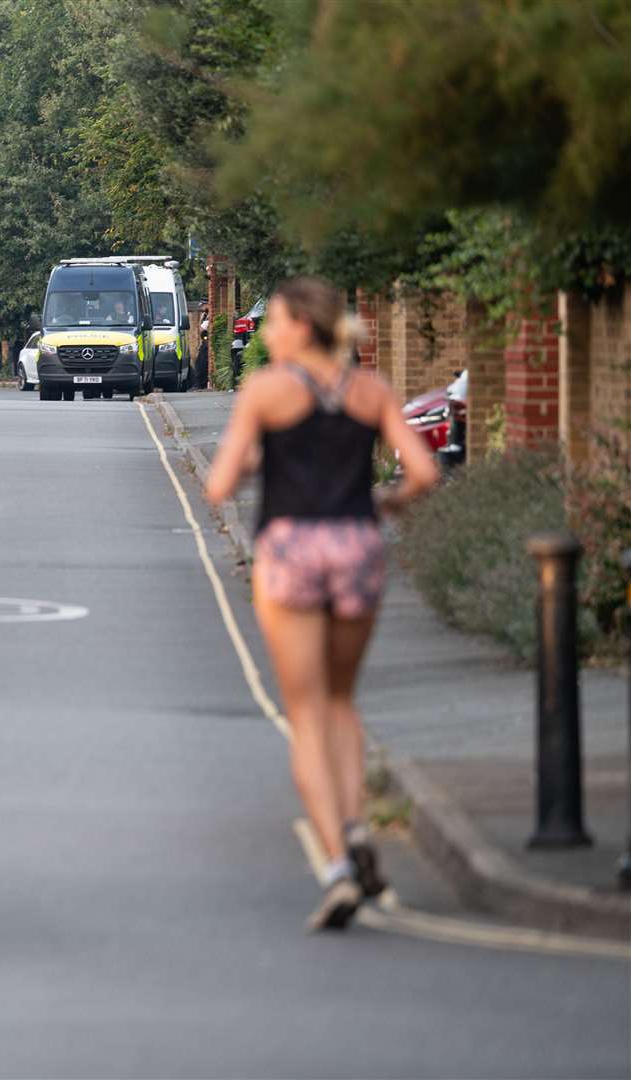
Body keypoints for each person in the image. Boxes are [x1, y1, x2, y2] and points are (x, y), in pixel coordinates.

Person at [204, 278, 438, 931]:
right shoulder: (371, 390)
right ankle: (359, 823)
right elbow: (423, 472)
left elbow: (218, 484)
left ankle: (336, 865)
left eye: (274, 323)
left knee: (304, 712)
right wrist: (381, 505)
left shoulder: (267, 391)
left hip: (290, 550)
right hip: (358, 545)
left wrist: (256, 458)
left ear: (302, 326)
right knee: (341, 702)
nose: (267, 335)